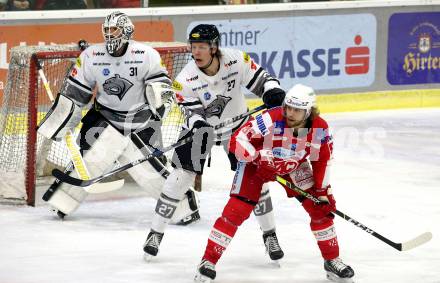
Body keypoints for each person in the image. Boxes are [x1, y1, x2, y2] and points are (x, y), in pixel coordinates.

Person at [38, 11, 198, 225]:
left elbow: (162, 89)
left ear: (127, 31)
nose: (110, 34)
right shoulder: (91, 56)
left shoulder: (146, 54)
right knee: (92, 159)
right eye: (107, 30)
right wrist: (62, 121)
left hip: (139, 120)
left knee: (148, 171)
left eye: (114, 29)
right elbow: (75, 93)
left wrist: (158, 106)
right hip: (104, 117)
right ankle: (62, 201)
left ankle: (182, 207)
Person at [143, 24, 287, 262]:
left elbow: (263, 79)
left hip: (238, 126)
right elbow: (190, 113)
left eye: (201, 47)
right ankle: (155, 233)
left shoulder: (236, 59)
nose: (195, 52)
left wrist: (273, 91)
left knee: (256, 178)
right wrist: (199, 123)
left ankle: (269, 235)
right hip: (200, 130)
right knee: (179, 178)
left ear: (214, 47)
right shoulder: (185, 78)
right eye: (193, 47)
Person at [195, 84, 355, 283]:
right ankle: (208, 261)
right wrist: (256, 158)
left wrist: (322, 192)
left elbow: (322, 160)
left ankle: (332, 260)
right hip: (259, 164)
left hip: (292, 165)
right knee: (235, 211)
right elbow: (238, 139)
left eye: (297, 110)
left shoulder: (320, 128)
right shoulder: (270, 118)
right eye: (288, 107)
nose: (289, 113)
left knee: (320, 208)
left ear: (309, 111)